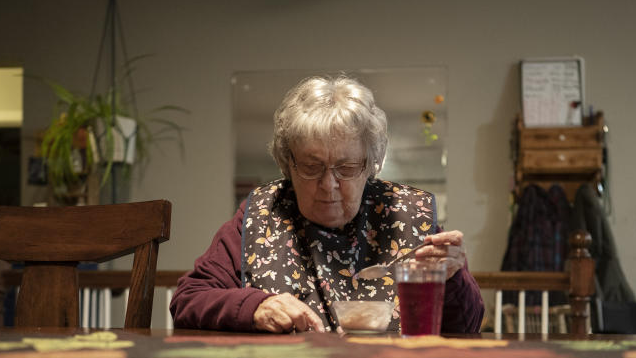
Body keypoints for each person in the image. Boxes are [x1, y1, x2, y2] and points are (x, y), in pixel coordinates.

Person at [171, 74, 484, 333]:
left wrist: (453, 279)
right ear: (287, 164)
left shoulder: (408, 215)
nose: (329, 184)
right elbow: (188, 299)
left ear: (370, 164)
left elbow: (467, 328)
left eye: (346, 168)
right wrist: (255, 306)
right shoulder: (262, 213)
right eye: (311, 167)